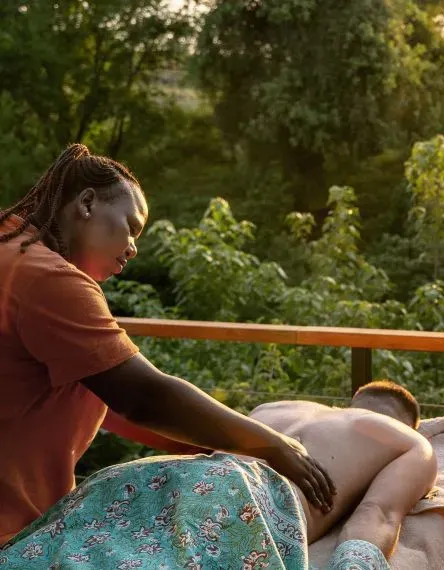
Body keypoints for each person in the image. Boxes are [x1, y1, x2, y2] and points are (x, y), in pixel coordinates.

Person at [0, 145, 339, 563]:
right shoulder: (49, 279)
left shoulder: (12, 252)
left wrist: (219, 441)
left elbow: (110, 401)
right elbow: (142, 397)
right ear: (86, 203)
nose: (133, 248)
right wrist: (273, 446)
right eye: (130, 226)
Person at [247, 380, 438, 559]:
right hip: (252, 519)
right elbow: (377, 515)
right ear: (408, 426)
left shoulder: (271, 408)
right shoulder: (412, 444)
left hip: (220, 476)